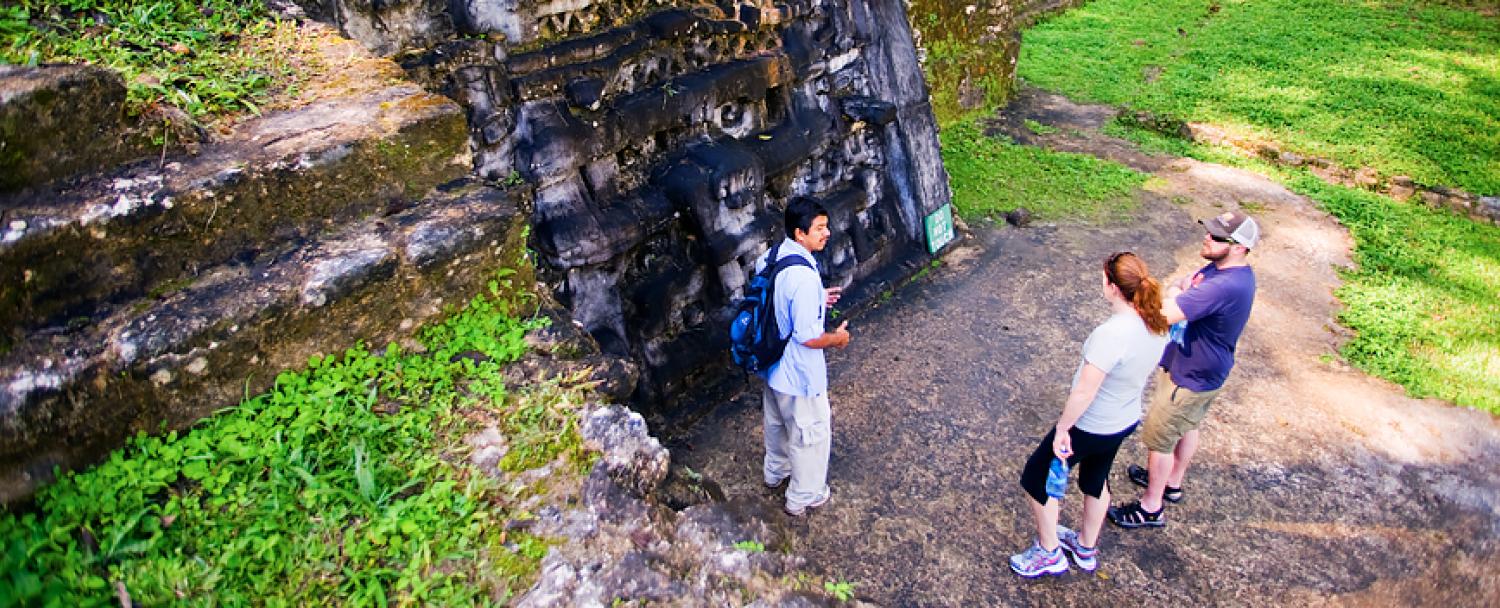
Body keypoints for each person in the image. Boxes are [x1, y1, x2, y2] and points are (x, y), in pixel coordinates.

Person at [1010, 252, 1171, 578]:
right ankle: (1085, 548)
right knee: (1095, 480)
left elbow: (1085, 391)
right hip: (1122, 420)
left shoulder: (1112, 335)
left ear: (1111, 286)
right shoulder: (1156, 322)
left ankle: (1049, 551)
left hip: (1090, 424)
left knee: (1036, 479)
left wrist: (1063, 429)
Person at [1108, 210, 1259, 529]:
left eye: (1218, 237)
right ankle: (1171, 483)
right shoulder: (1229, 271)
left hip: (1190, 374)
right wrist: (1181, 290)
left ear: (1238, 247)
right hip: (1201, 369)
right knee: (1188, 425)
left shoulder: (1223, 286)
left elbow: (1163, 314)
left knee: (1160, 439)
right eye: (1210, 231)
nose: (1208, 237)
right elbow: (1186, 285)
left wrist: (1177, 293)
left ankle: (1151, 507)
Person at [759, 198, 851, 516]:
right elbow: (808, 336)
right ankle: (804, 495)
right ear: (800, 233)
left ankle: (776, 472)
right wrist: (837, 338)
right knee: (809, 435)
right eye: (820, 228)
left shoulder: (770, 257)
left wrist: (816, 299)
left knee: (776, 423)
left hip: (771, 366)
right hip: (797, 373)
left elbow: (774, 300)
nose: (827, 233)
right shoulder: (804, 278)